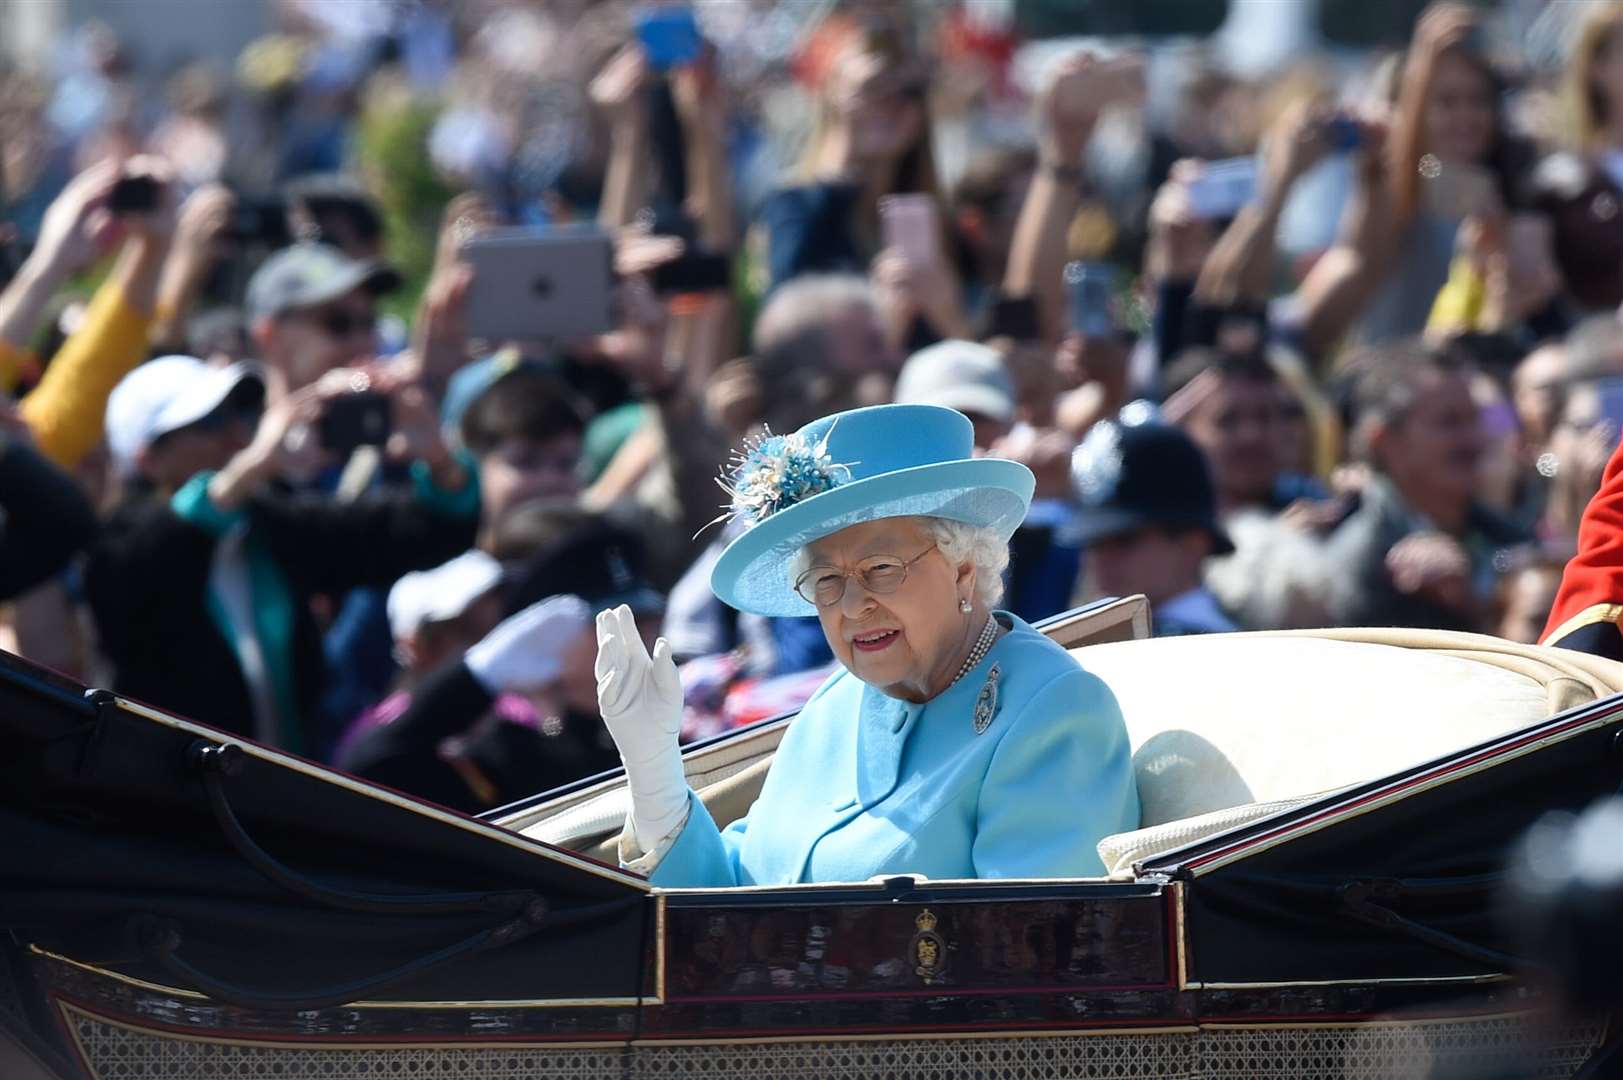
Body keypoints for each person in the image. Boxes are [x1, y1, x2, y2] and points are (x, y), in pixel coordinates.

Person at [593, 403, 1139, 886]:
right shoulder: (838, 701)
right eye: (827, 581)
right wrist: (655, 775)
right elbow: (739, 887)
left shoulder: (1056, 711)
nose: (852, 606)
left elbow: (1032, 955)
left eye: (881, 569)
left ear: (962, 571)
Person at [85, 356, 479, 753]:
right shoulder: (119, 548)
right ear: (147, 458)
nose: (238, 435)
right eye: (210, 423)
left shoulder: (268, 526)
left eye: (240, 415)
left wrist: (438, 458)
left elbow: (422, 532)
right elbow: (151, 560)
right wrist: (254, 464)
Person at [1070, 417, 1239, 636]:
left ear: (1193, 545)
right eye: (1093, 543)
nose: (1102, 558)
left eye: (1124, 540)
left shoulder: (1227, 651)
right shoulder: (1092, 646)